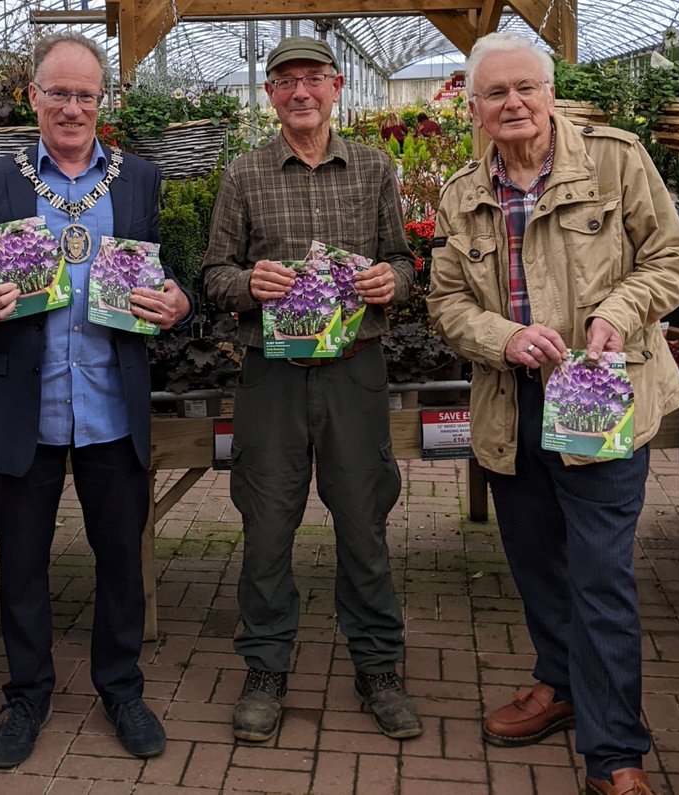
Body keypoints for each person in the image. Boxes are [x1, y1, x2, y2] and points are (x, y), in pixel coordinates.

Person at [427, 33, 679, 795]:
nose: (512, 104)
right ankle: (559, 680)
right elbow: (445, 302)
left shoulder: (613, 161)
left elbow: (671, 259)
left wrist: (619, 309)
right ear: (473, 107)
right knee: (537, 561)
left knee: (601, 572)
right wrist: (506, 338)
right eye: (495, 94)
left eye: (525, 89)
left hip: (603, 394)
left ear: (549, 93)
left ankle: (615, 755)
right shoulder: (461, 192)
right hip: (513, 400)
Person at [0, 32, 193, 769]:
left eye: (86, 94)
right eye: (59, 92)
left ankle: (121, 687)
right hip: (27, 405)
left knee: (121, 557)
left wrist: (176, 302)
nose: (73, 107)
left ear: (102, 101)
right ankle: (27, 694)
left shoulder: (140, 180)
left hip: (110, 407)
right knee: (20, 562)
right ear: (34, 97)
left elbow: (167, 274)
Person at [202, 35, 423, 744]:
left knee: (363, 519)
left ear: (336, 88)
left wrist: (395, 281)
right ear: (269, 95)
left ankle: (379, 665)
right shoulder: (243, 175)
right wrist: (247, 284)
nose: (300, 91)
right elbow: (213, 275)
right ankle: (265, 666)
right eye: (285, 81)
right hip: (270, 373)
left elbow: (402, 260)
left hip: (354, 370)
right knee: (267, 525)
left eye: (313, 79)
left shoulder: (372, 168)